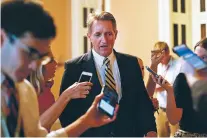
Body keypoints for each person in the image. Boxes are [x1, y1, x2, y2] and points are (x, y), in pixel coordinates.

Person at [1, 0, 118, 137]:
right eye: (29, 53)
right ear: (1, 39)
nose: (34, 66)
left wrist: (86, 122)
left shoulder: (25, 91)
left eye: (40, 58)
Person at [59, 11, 157, 137]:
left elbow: (142, 104)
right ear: (89, 36)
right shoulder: (74, 68)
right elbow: (66, 115)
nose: (104, 40)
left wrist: (151, 132)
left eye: (109, 34)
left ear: (115, 34)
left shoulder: (131, 64)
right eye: (98, 34)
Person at [151, 38, 207, 137]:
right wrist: (169, 90)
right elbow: (174, 119)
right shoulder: (182, 80)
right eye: (196, 57)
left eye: (204, 57)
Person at [29, 49, 93, 130]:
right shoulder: (29, 91)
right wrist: (66, 95)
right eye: (51, 60)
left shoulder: (46, 89)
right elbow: (37, 129)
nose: (56, 64)